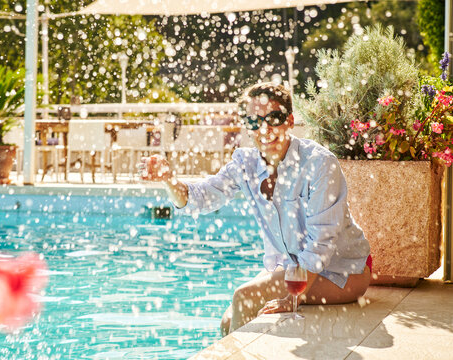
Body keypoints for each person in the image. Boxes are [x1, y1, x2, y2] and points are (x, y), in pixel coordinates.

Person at [138, 83, 371, 337]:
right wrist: (169, 179)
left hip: (342, 271)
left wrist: (296, 295)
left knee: (243, 298)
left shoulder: (318, 164)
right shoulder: (245, 164)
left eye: (274, 118)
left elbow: (321, 244)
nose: (264, 128)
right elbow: (200, 199)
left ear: (290, 120)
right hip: (292, 267)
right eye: (254, 120)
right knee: (228, 322)